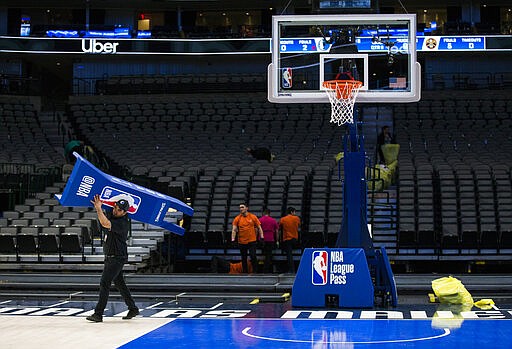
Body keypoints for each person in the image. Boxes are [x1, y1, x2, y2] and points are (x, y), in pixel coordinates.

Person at [86, 195, 139, 323]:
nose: (116, 210)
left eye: (119, 210)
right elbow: (106, 207)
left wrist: (98, 208)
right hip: (110, 257)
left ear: (125, 212)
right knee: (120, 283)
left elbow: (105, 223)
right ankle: (133, 308)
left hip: (117, 258)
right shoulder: (113, 213)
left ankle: (98, 314)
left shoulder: (122, 223)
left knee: (105, 283)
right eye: (115, 207)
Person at [231, 202, 264, 273]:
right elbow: (234, 230)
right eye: (240, 207)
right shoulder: (237, 218)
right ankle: (245, 272)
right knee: (243, 257)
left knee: (253, 256)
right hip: (242, 241)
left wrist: (262, 237)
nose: (241, 209)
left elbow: (259, 227)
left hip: (252, 241)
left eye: (242, 207)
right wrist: (233, 240)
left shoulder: (253, 217)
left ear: (246, 208)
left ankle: (255, 271)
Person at [279, 207, 301, 274]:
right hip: (295, 239)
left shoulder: (283, 219)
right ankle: (295, 269)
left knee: (289, 255)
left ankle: (291, 270)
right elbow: (299, 226)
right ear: (292, 212)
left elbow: (279, 228)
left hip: (287, 239)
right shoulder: (297, 218)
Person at [259, 208, 279, 273]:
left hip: (262, 239)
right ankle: (267, 269)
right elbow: (276, 232)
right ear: (269, 213)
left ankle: (261, 268)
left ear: (263, 213)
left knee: (263, 254)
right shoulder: (273, 220)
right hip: (270, 239)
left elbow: (257, 230)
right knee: (269, 255)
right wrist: (277, 240)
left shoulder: (260, 220)